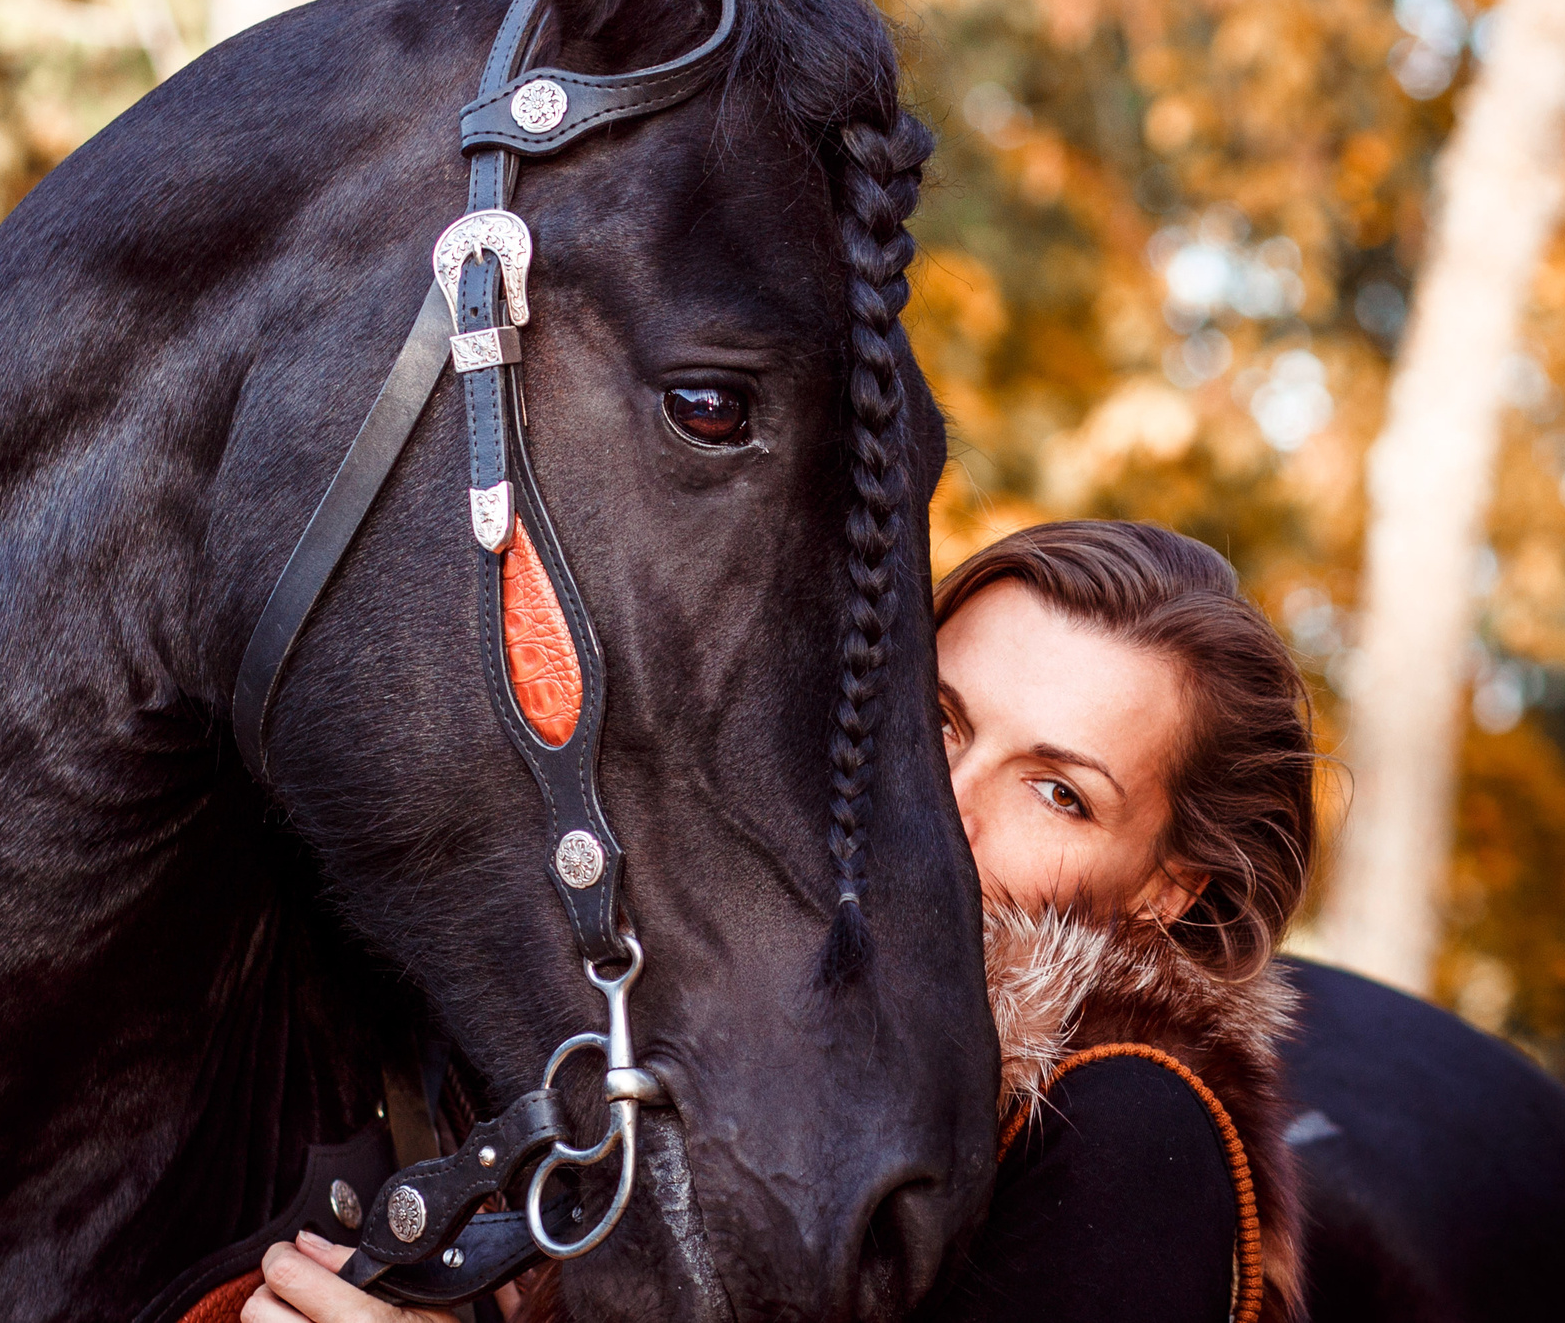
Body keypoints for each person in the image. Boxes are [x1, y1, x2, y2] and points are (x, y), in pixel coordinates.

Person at [249, 520, 1318, 1323]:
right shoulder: (694, 1012)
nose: (944, 803)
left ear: (1166, 889)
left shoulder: (1127, 1124)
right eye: (937, 719)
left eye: (1060, 791)